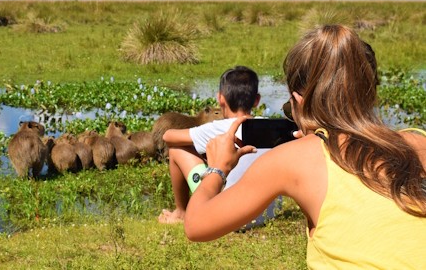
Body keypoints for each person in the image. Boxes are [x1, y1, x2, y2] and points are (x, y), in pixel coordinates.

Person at [184, 24, 426, 269]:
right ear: (370, 93)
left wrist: (216, 169)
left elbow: (196, 225)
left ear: (299, 100)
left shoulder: (292, 160)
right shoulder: (420, 144)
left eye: (290, 110)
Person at [158, 65, 262, 224]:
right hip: (263, 215)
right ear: (257, 100)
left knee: (176, 149)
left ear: (220, 98)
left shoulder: (217, 128)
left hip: (225, 219)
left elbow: (168, 136)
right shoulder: (271, 127)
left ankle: (181, 212)